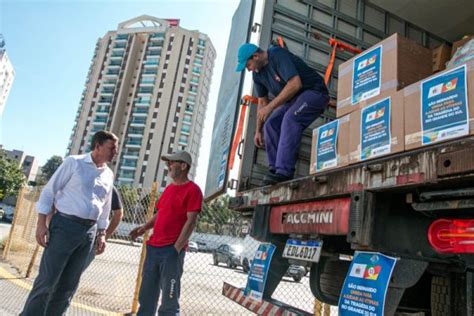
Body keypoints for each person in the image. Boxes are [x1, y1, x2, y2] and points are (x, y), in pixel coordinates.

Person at [21, 130, 118, 316]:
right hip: (64, 226)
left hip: (89, 232)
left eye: (115, 148)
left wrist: (102, 233)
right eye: (111, 148)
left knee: (68, 286)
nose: (115, 152)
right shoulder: (74, 163)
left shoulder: (108, 174)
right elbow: (49, 192)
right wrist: (41, 224)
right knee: (47, 282)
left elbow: (105, 208)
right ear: (97, 146)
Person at [236, 43, 329, 185]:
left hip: (315, 93)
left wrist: (270, 107)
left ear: (255, 56)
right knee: (271, 125)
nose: (248, 70)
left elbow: (295, 84)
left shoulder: (277, 55)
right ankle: (275, 170)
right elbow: (262, 103)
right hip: (294, 100)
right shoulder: (257, 75)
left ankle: (284, 172)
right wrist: (258, 131)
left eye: (248, 65)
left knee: (290, 119)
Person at [129, 150, 203, 316]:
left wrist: (175, 249)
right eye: (168, 162)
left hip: (171, 251)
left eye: (172, 162)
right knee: (146, 296)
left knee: (169, 301)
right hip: (154, 249)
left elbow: (191, 222)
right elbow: (160, 213)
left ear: (183, 166)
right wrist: (143, 228)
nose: (168, 166)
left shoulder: (193, 190)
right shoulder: (169, 189)